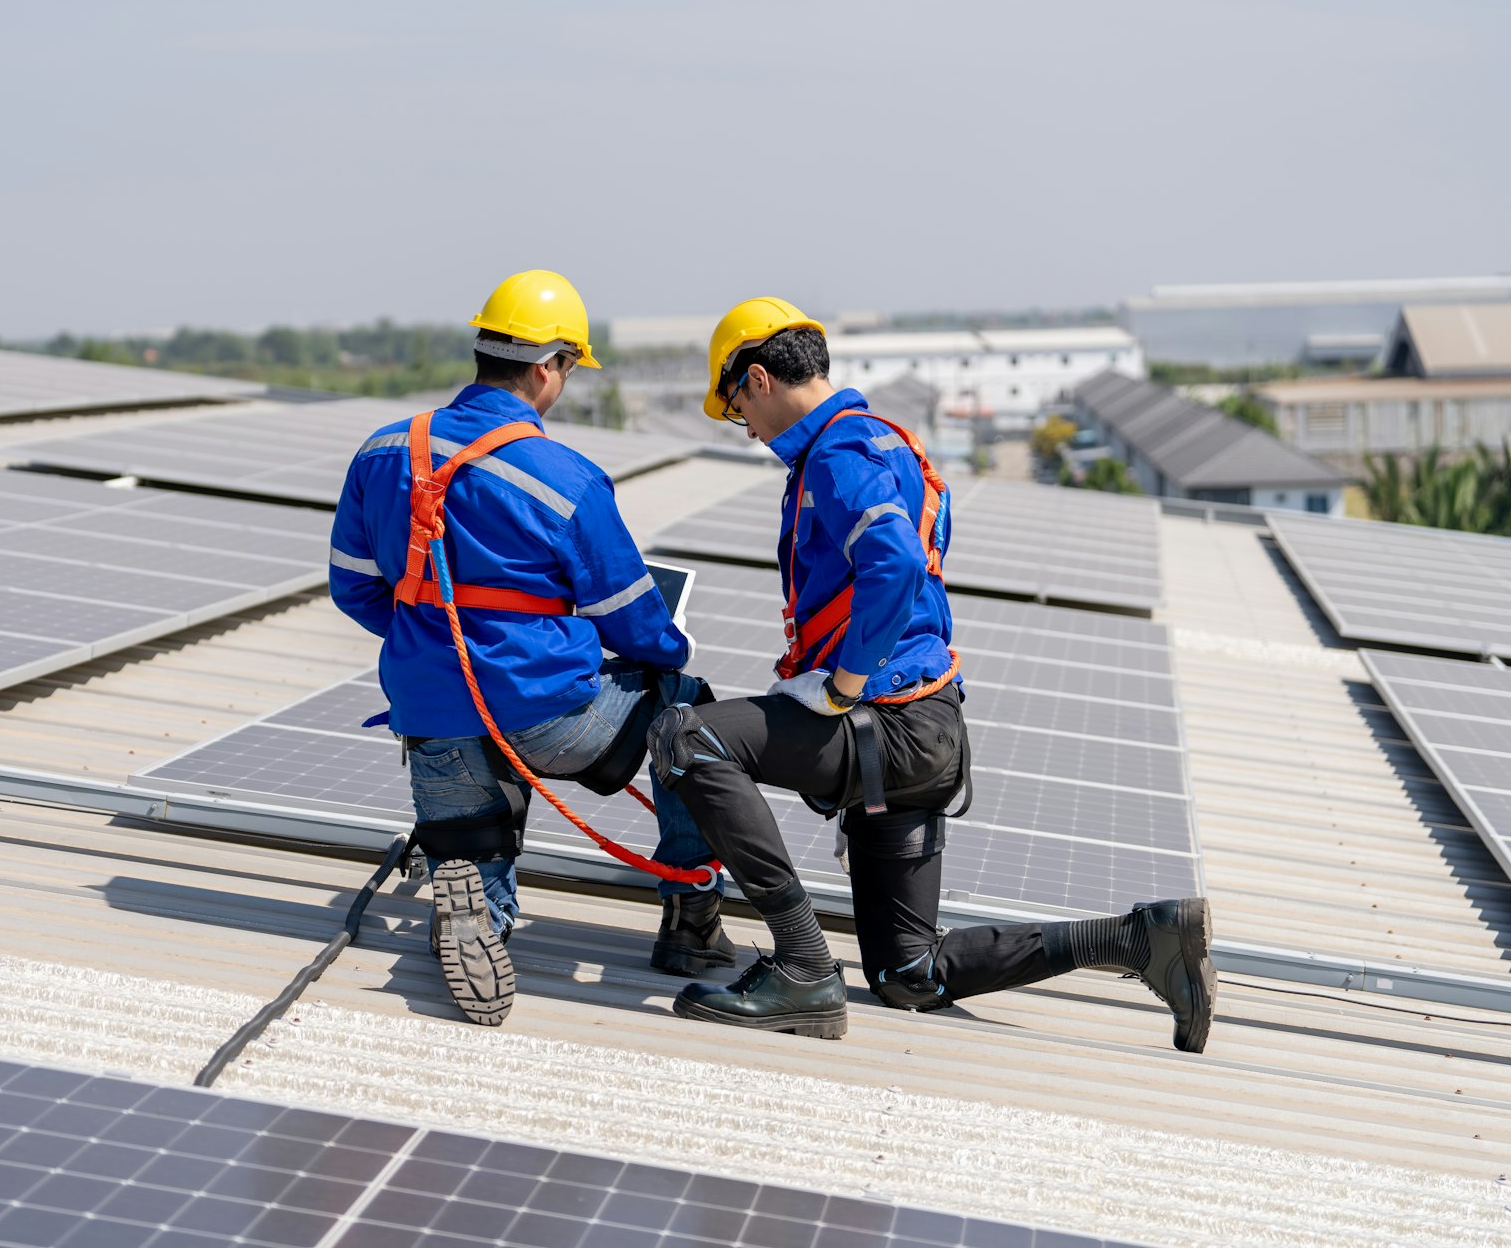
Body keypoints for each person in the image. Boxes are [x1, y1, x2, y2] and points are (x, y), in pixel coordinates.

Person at [645, 297, 1216, 1051]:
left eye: (737, 410)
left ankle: (803, 964)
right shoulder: (888, 443)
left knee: (688, 736)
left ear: (757, 379)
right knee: (909, 972)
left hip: (887, 726)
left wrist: (843, 683)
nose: (746, 429)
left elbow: (897, 563)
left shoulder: (841, 455)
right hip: (927, 733)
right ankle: (1142, 938)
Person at [328, 269, 730, 1028]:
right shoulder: (566, 479)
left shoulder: (382, 452)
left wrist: (441, 642)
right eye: (570, 367)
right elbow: (634, 624)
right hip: (549, 714)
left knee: (472, 847)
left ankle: (478, 908)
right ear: (548, 366)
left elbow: (353, 587)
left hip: (432, 709)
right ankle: (691, 921)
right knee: (691, 711)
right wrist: (669, 651)